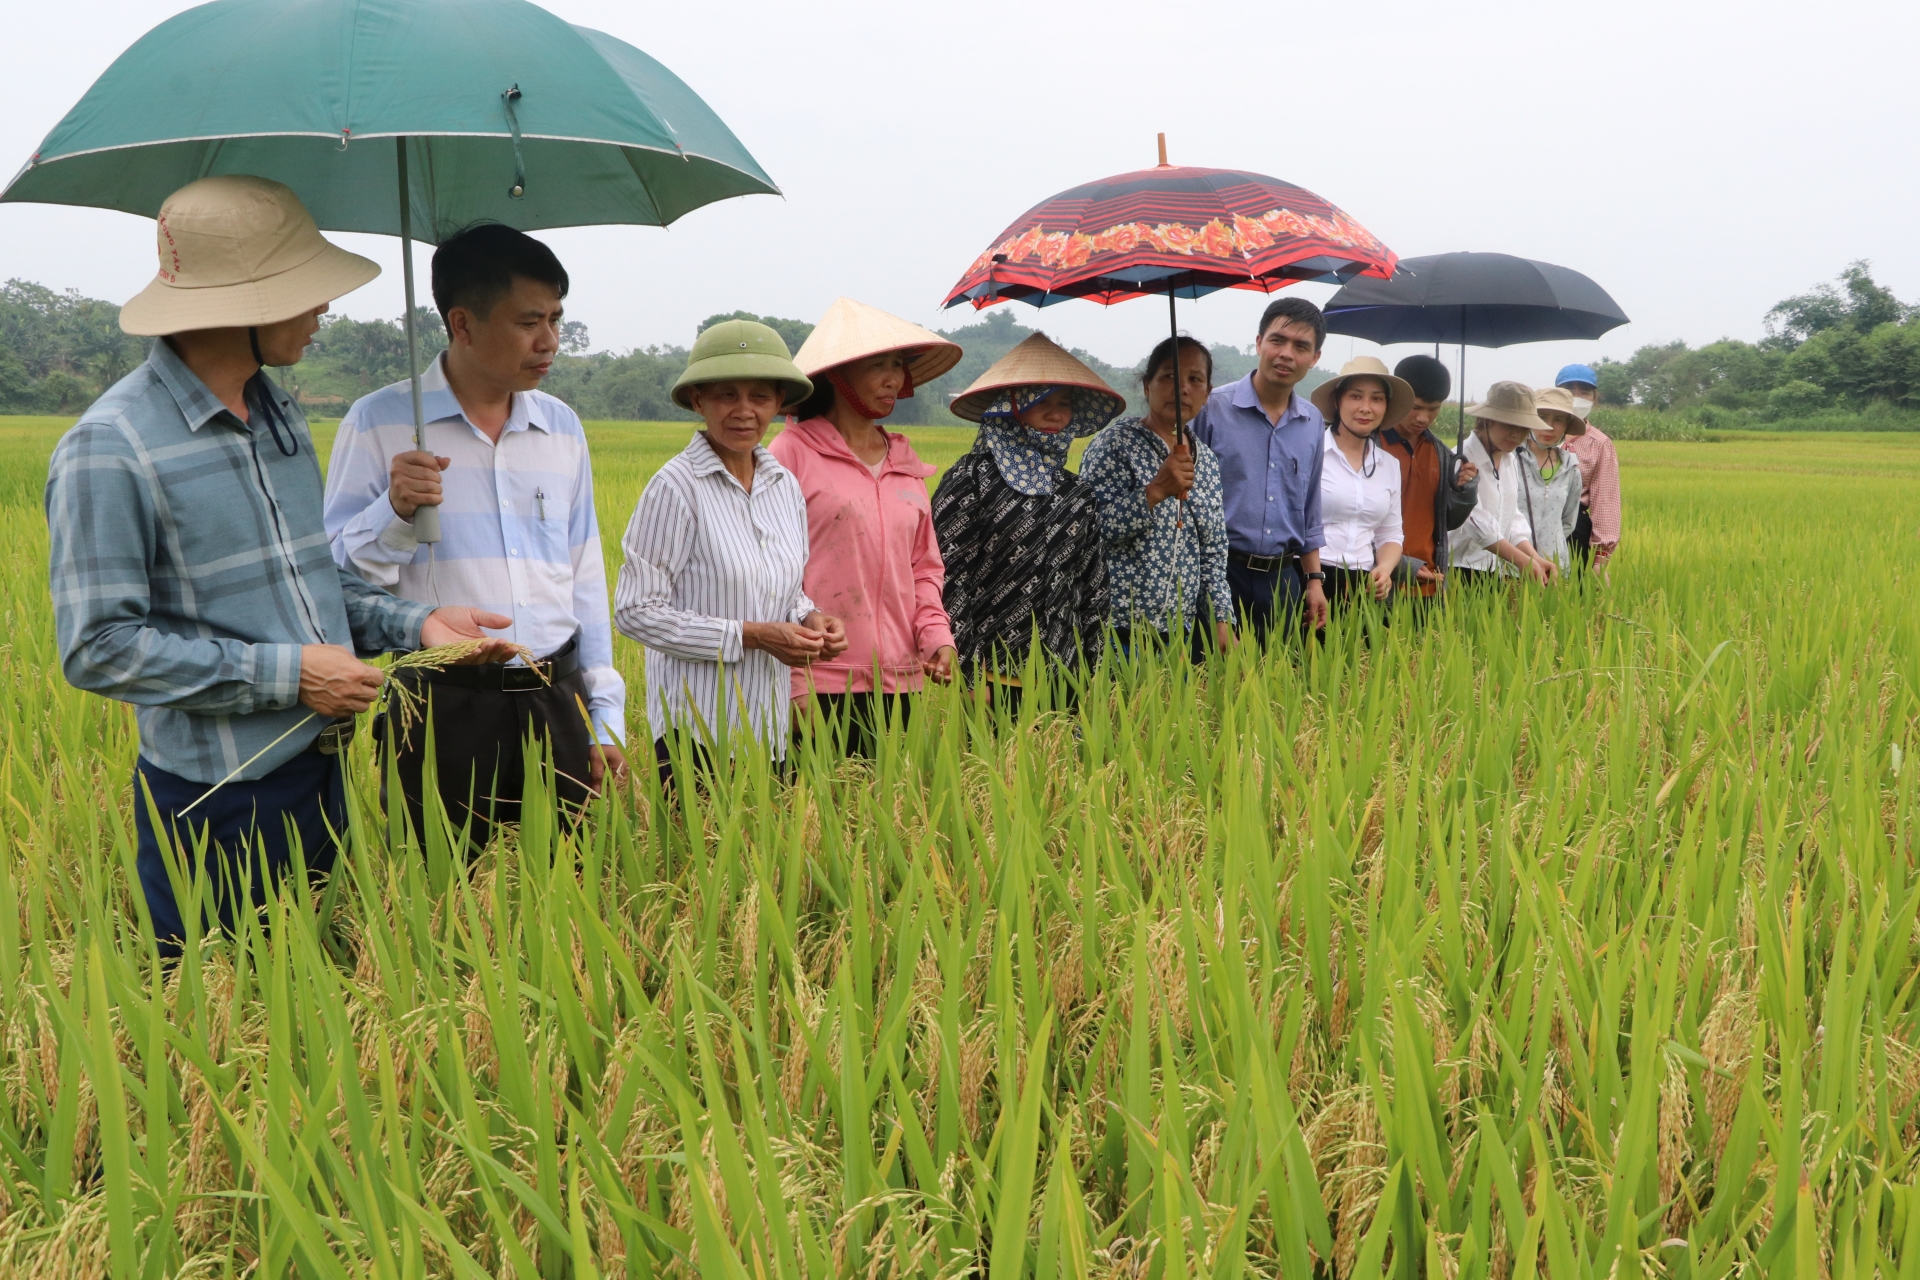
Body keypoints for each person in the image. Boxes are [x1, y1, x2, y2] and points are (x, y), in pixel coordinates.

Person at [45, 175, 509, 955]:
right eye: (305, 291)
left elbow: (310, 582)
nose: (323, 309)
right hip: (216, 795)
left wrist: (417, 623)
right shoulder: (110, 447)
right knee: (225, 1034)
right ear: (243, 303)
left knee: (316, 1021)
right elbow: (98, 648)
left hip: (317, 770)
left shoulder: (278, 414)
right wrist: (291, 676)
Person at [324, 224, 625, 850]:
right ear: (462, 324)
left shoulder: (561, 427)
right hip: (441, 704)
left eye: (556, 319)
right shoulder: (381, 423)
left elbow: (583, 577)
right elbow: (337, 583)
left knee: (564, 901)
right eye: (528, 322)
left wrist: (604, 717)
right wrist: (395, 511)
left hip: (555, 696)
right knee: (442, 901)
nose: (549, 342)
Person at [614, 321, 847, 778]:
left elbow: (785, 587)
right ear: (699, 401)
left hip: (770, 723)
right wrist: (753, 635)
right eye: (726, 395)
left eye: (759, 396)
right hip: (696, 730)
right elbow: (636, 611)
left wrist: (808, 618)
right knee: (702, 850)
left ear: (779, 403)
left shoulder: (784, 485)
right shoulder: (675, 488)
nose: (744, 411)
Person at [773, 299, 962, 757]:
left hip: (900, 682)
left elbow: (923, 568)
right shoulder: (790, 455)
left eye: (898, 365)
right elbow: (774, 575)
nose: (894, 378)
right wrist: (797, 682)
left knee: (892, 820)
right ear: (837, 375)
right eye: (878, 365)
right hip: (820, 681)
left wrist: (936, 634)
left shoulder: (905, 463)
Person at [934, 337, 1118, 702]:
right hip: (989, 680)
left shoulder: (1075, 492)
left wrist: (1096, 677)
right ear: (1011, 406)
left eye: (1063, 404)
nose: (1055, 415)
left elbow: (1093, 589)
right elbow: (948, 580)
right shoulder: (971, 479)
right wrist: (969, 677)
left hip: (1063, 677)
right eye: (1041, 402)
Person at [1067, 334, 1231, 660]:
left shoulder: (1207, 461)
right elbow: (1086, 533)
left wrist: (1221, 621)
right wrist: (1155, 491)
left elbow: (1213, 552)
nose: (1182, 388)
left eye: (1195, 380)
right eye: (1169, 376)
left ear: (1208, 393)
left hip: (1178, 637)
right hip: (1115, 632)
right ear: (1147, 385)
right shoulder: (1115, 446)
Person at [1188, 297, 1330, 642]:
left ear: (1314, 358)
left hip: (1282, 578)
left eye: (1301, 346)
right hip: (1218, 573)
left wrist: (1314, 581)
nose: (1286, 354)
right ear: (1258, 343)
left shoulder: (1312, 421)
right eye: (1277, 341)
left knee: (1277, 686)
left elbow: (1309, 509)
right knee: (1209, 687)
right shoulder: (1211, 409)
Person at [1308, 358, 1408, 613]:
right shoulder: (1311, 452)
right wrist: (1312, 578)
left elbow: (1391, 533)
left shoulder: (1389, 465)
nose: (1366, 407)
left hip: (1363, 585)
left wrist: (1384, 569)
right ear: (1337, 401)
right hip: (1309, 578)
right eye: (1355, 396)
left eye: (1376, 399)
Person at [1379, 355, 1479, 600]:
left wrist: (1464, 492)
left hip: (1429, 586)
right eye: (1416, 407)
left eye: (1433, 409)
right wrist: (1405, 566)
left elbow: (1448, 522)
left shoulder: (1442, 454)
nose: (1423, 418)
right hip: (1378, 583)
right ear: (1397, 396)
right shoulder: (1371, 446)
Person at [1448, 382, 1558, 587]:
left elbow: (1511, 516)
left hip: (1492, 569)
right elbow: (1474, 521)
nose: (1516, 435)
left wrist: (1534, 558)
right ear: (1487, 420)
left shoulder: (1510, 460)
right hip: (1457, 569)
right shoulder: (1460, 460)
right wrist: (1521, 560)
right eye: (1509, 425)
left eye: (1523, 428)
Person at [1554, 364, 1621, 572]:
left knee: (1572, 594)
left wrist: (1601, 558)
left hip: (1575, 525)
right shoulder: (1534, 435)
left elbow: (1605, 502)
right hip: (1528, 523)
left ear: (1595, 398)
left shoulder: (1599, 444)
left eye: (1584, 392)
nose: (1577, 397)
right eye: (1569, 391)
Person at [1518, 385, 1586, 573]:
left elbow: (1568, 522)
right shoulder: (1510, 462)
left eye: (1558, 420)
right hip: (1512, 566)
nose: (1549, 426)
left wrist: (1550, 546)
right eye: (1542, 417)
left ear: (1566, 426)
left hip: (1554, 568)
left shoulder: (1570, 469)